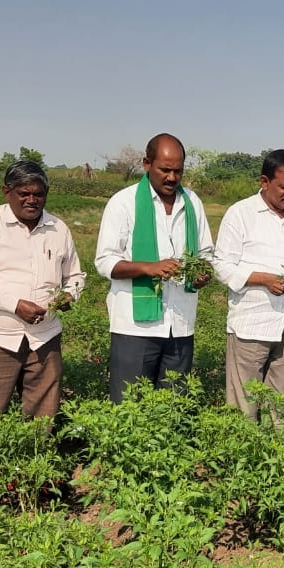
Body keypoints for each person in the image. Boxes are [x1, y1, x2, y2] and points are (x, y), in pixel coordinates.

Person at [0, 160, 86, 434]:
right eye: (24, 193)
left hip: (44, 339)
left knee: (42, 421)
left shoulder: (58, 229)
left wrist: (69, 296)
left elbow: (76, 276)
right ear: (6, 191)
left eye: (39, 194)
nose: (32, 200)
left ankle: (31, 475)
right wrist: (13, 305)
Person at [94, 133, 214, 401]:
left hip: (180, 324)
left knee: (173, 404)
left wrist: (203, 272)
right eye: (165, 170)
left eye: (178, 171)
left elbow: (206, 252)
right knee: (129, 405)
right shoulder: (123, 203)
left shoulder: (192, 202)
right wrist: (149, 268)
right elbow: (104, 261)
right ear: (146, 164)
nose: (172, 177)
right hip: (135, 328)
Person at [213, 149, 284, 417]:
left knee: (282, 403)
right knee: (244, 403)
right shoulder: (241, 214)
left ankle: (278, 455)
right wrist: (263, 279)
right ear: (265, 182)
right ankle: (244, 453)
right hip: (252, 325)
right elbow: (222, 265)